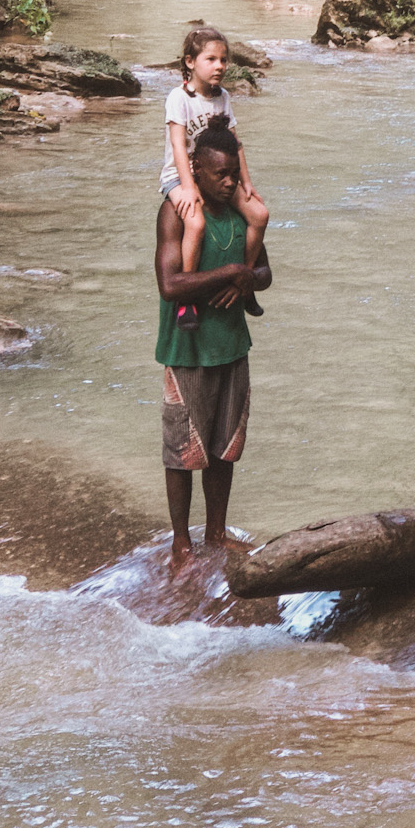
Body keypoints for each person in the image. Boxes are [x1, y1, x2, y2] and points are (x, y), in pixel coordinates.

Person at [155, 115, 272, 571]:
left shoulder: (240, 214)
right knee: (183, 452)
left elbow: (263, 272)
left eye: (234, 174)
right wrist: (231, 274)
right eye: (219, 175)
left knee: (225, 448)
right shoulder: (177, 212)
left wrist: (246, 279)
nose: (229, 182)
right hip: (187, 350)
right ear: (196, 171)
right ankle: (181, 543)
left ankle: (217, 533)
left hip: (232, 346)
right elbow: (170, 284)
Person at [162, 24, 269, 330]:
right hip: (179, 176)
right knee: (195, 222)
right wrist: (187, 186)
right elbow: (178, 146)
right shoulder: (178, 97)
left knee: (260, 215)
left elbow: (235, 144)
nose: (220, 66)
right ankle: (187, 299)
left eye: (223, 60)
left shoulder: (222, 96)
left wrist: (246, 182)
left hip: (219, 175)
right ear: (189, 62)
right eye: (211, 59)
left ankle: (244, 283)